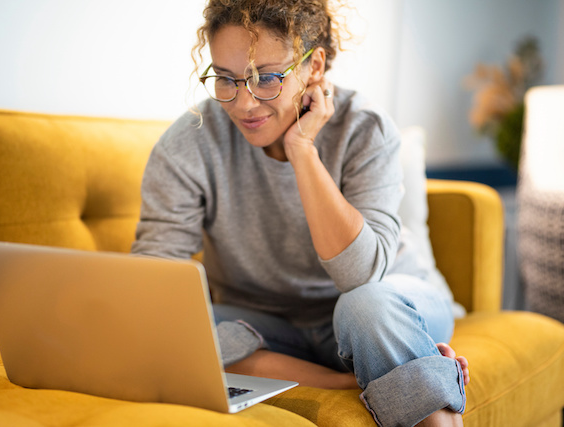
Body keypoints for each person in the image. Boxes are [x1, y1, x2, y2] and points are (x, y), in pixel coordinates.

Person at [132, 0, 469, 425]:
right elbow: (152, 283)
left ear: (314, 67)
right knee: (161, 326)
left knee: (365, 307)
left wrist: (302, 151)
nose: (244, 103)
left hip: (381, 309)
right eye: (225, 79)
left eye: (267, 78)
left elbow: (360, 276)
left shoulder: (365, 128)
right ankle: (342, 378)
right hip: (267, 328)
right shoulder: (187, 145)